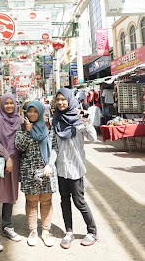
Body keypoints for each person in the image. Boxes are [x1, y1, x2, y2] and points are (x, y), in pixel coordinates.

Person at [52, 88, 98, 249]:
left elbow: (93, 139)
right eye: (58, 100)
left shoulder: (79, 120)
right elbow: (54, 145)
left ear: (70, 100)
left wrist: (86, 122)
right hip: (61, 169)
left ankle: (92, 231)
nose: (60, 102)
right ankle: (69, 232)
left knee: (79, 201)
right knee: (64, 201)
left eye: (63, 99)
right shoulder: (56, 119)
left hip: (76, 168)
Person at [15, 101, 58, 247]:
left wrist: (49, 165)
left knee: (46, 202)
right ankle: (33, 231)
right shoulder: (22, 128)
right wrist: (28, 131)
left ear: (40, 112)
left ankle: (46, 231)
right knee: (32, 202)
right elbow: (19, 147)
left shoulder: (49, 128)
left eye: (35, 111)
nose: (32, 114)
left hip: (46, 171)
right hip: (29, 172)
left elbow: (54, 148)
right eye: (30, 111)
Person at [0, 93, 22, 252]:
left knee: (10, 195)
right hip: (1, 161)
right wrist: (7, 157)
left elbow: (22, 139)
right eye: (6, 103)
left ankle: (7, 226)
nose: (9, 106)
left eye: (11, 103)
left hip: (15, 162)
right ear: (1, 104)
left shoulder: (19, 120)